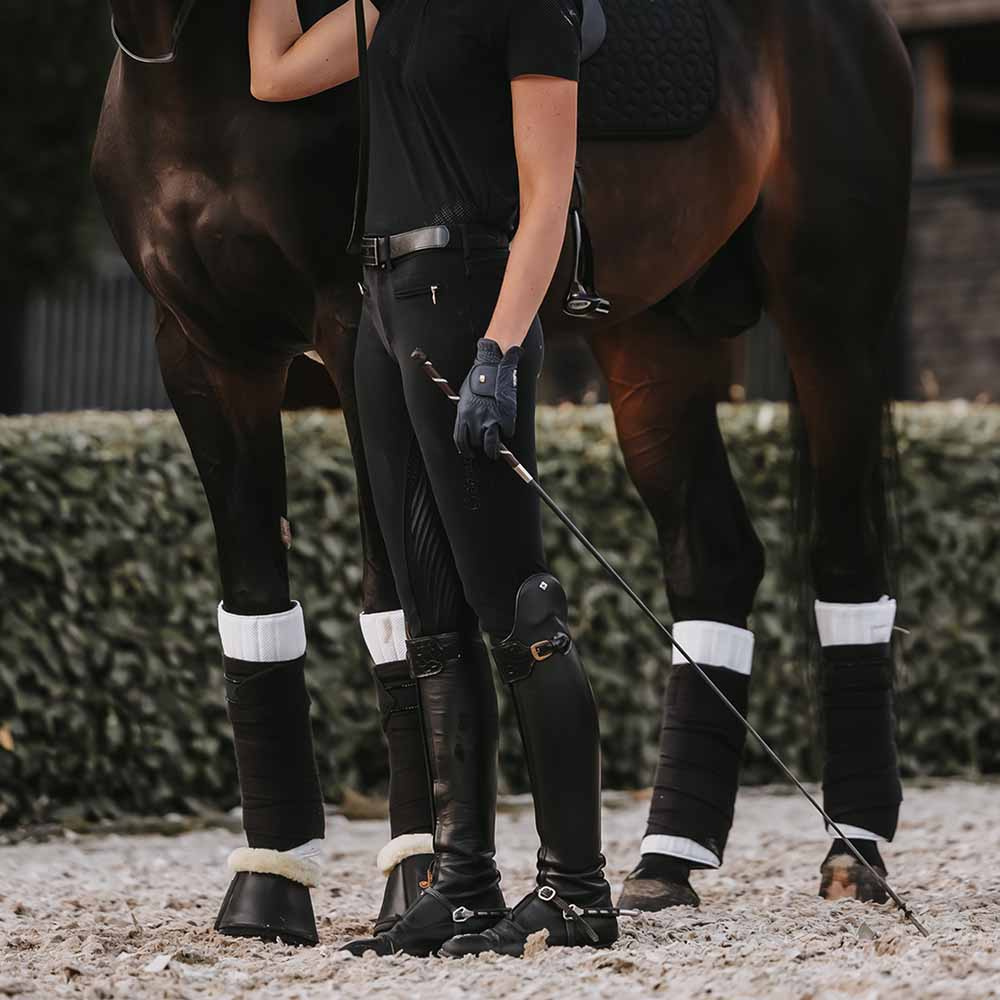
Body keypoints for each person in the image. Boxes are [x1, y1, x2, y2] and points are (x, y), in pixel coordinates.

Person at [248, 0, 617, 958]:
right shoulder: (384, 5)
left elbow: (548, 193)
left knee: (518, 606)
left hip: (465, 304)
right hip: (382, 305)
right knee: (432, 619)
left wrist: (501, 348)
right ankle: (463, 886)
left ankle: (578, 890)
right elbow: (274, 72)